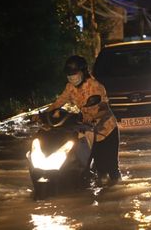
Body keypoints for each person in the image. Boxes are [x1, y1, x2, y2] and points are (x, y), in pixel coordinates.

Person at [45, 55, 121, 184]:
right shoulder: (70, 87)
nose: (71, 77)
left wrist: (92, 117)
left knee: (111, 169)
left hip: (106, 131)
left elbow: (104, 109)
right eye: (69, 74)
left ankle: (117, 193)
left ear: (83, 72)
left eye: (74, 73)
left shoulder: (95, 86)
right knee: (99, 170)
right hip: (89, 131)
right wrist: (44, 114)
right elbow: (60, 101)